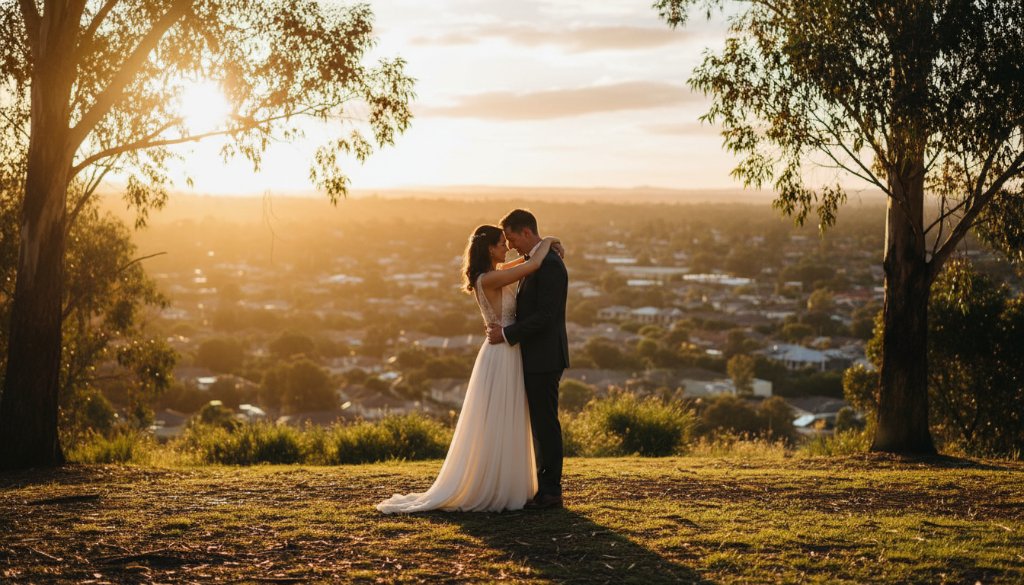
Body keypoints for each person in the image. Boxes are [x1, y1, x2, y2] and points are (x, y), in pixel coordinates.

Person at [377, 223, 561, 513]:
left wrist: (539, 248)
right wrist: (549, 239)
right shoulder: (489, 278)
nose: (507, 247)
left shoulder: (488, 275)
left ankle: (506, 480)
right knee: (499, 417)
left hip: (506, 350)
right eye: (502, 243)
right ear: (489, 248)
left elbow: (523, 262)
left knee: (506, 417)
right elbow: (533, 264)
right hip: (502, 353)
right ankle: (494, 484)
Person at [487, 209, 569, 510]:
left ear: (525, 232)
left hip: (545, 356)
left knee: (545, 424)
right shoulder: (536, 261)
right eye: (504, 241)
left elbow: (546, 316)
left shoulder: (549, 264)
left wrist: (508, 334)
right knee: (537, 422)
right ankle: (538, 484)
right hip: (531, 354)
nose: (510, 246)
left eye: (512, 239)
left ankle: (551, 490)